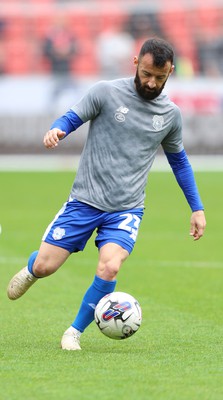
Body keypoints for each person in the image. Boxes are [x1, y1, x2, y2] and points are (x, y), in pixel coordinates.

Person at [7, 37, 206, 351]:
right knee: (46, 266)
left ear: (169, 72)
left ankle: (74, 332)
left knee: (110, 266)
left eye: (160, 77)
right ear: (135, 63)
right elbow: (72, 117)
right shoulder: (106, 92)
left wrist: (197, 207)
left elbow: (179, 161)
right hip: (85, 200)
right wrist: (57, 129)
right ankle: (32, 269)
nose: (152, 82)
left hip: (126, 208)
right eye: (146, 74)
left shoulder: (170, 115)